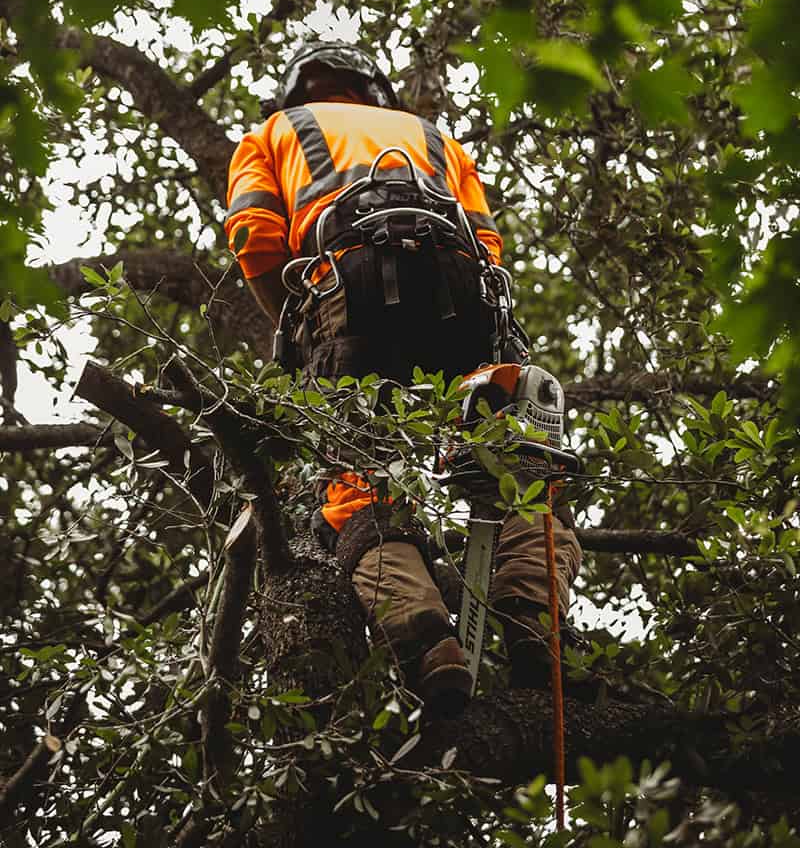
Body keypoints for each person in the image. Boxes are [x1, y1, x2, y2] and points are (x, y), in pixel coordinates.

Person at [225, 41, 581, 712]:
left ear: (297, 90)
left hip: (350, 286)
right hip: (463, 293)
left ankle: (426, 638)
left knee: (358, 476)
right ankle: (535, 620)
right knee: (515, 462)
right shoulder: (434, 138)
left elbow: (254, 236)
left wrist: (299, 327)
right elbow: (488, 245)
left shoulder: (273, 132)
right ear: (373, 91)